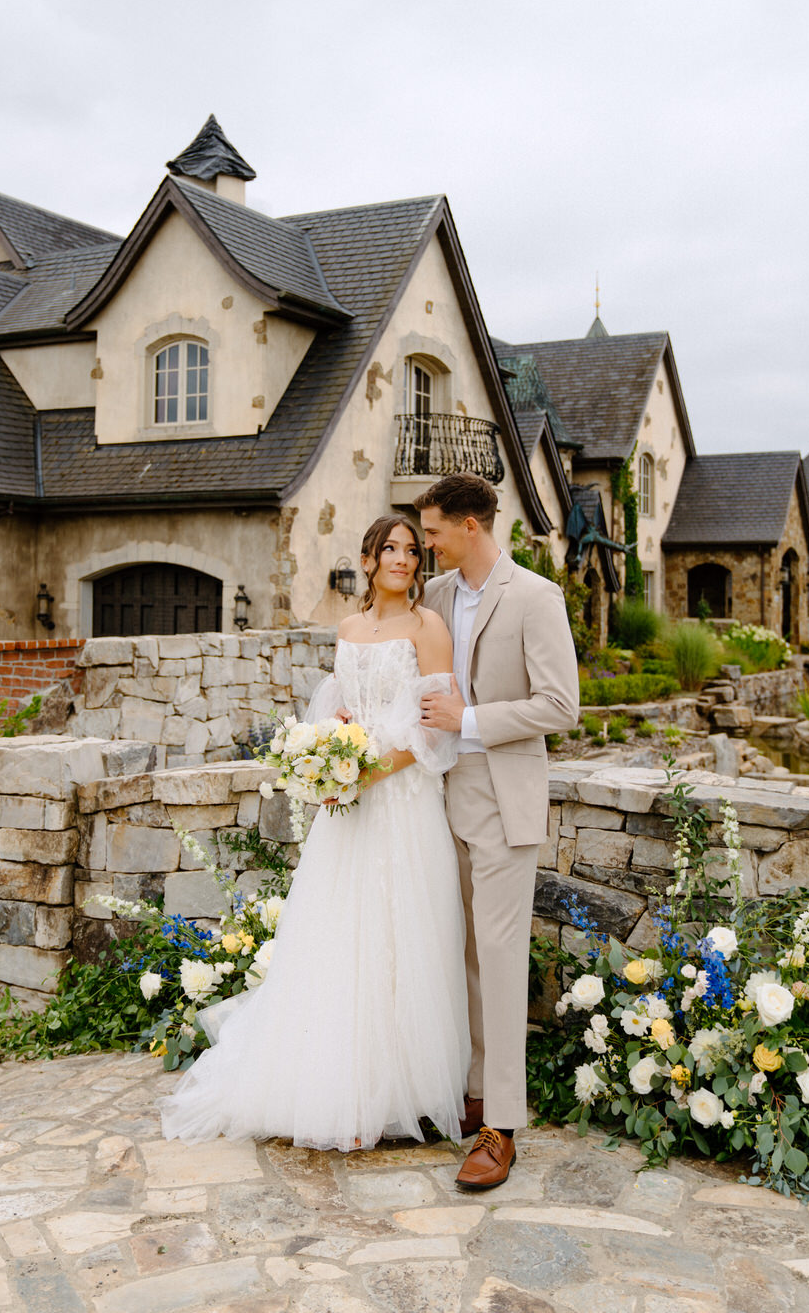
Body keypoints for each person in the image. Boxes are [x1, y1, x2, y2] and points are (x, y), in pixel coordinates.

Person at [160, 514, 470, 1151]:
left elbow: (436, 727)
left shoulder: (428, 627)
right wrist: (329, 752)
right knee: (340, 935)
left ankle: (400, 1091)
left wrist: (366, 772)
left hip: (403, 803)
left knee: (398, 936)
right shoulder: (349, 629)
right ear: (368, 557)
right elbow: (337, 708)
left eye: (412, 551)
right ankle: (335, 1088)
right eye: (390, 549)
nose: (403, 560)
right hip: (349, 808)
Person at [416, 474, 579, 1190]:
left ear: (470, 528)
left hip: (503, 796)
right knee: (464, 956)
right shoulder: (436, 597)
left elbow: (559, 705)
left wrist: (472, 723)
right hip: (440, 795)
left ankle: (500, 1128)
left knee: (503, 959)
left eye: (434, 532)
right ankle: (473, 1089)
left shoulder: (536, 598)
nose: (426, 544)